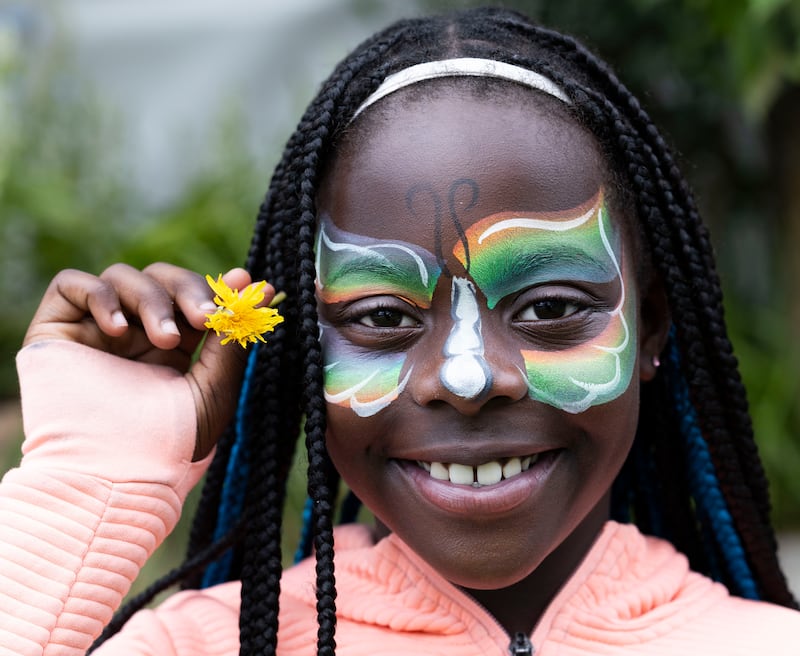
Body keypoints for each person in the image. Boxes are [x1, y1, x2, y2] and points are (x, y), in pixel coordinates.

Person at [2, 6, 799, 656]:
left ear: (651, 323)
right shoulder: (204, 647)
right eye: (381, 317)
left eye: (549, 308)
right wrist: (87, 476)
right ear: (304, 350)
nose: (466, 377)